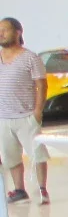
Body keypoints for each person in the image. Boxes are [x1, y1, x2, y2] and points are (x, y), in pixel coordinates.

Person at [0, 18, 49, 205]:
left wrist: (37, 111)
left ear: (18, 32)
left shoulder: (30, 58)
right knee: (10, 156)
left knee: (37, 153)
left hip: (26, 116)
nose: (1, 33)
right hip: (4, 117)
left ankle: (42, 188)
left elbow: (42, 85)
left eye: (5, 30)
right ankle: (19, 190)